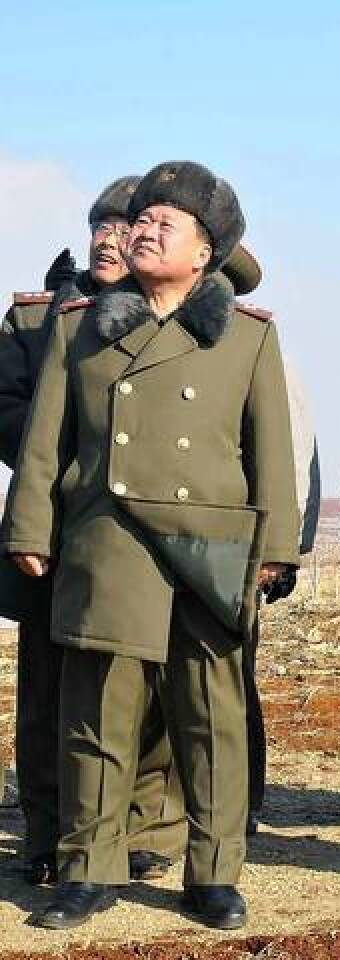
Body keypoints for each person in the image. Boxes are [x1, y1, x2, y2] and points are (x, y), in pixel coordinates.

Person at [2, 161, 299, 930]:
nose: (145, 229)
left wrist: (277, 550)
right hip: (108, 544)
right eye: (142, 218)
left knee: (211, 718)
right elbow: (45, 443)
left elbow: (271, 452)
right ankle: (87, 869)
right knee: (96, 714)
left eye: (168, 222)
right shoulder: (78, 328)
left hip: (209, 550)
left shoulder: (248, 337)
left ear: (206, 253)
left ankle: (214, 873)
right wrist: (31, 528)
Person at [0, 177, 186, 887]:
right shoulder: (37, 318)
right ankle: (49, 832)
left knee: (152, 689)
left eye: (127, 224)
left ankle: (145, 828)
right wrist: (74, 447)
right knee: (51, 691)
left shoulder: (177, 320)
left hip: (147, 531)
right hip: (55, 524)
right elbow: (7, 406)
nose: (111, 237)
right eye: (102, 225)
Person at [218, 242, 322, 834]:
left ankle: (241, 803)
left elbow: (291, 450)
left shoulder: (258, 347)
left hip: (235, 548)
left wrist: (285, 552)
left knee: (231, 681)